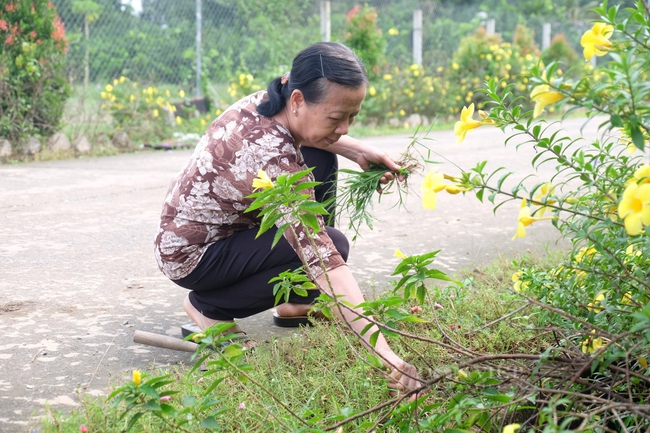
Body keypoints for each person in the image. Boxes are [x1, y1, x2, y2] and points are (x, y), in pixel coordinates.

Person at [154, 42, 421, 396]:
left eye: (351, 117)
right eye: (335, 118)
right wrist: (385, 354)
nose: (343, 128)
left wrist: (359, 150)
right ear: (297, 100)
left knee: (320, 156)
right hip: (194, 255)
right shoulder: (272, 157)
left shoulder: (272, 98)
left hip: (224, 229)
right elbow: (325, 259)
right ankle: (209, 308)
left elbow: (311, 134)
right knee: (330, 243)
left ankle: (298, 301)